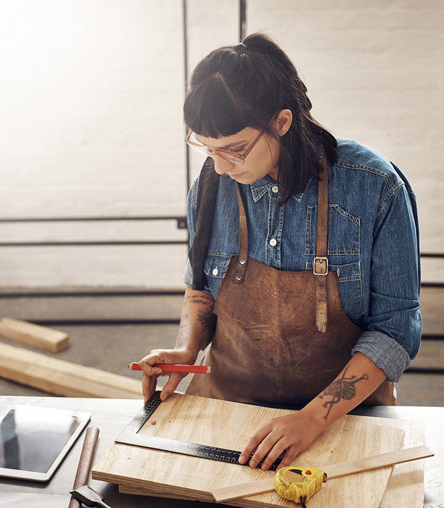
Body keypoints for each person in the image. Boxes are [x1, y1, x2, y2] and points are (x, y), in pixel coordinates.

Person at [138, 33, 422, 472]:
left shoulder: (374, 187)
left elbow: (395, 329)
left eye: (234, 148)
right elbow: (200, 288)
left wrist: (311, 419)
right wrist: (186, 350)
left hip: (343, 421)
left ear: (283, 122)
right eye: (206, 148)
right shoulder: (213, 184)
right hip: (230, 413)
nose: (220, 165)